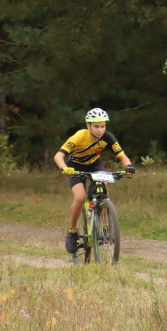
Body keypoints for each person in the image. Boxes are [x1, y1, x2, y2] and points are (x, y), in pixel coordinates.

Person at [53, 108, 135, 254]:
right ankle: (72, 232)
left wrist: (128, 166)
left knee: (103, 191)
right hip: (75, 167)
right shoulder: (79, 136)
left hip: (95, 165)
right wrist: (64, 167)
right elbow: (58, 156)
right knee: (80, 198)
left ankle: (106, 229)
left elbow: (122, 156)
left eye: (103, 126)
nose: (100, 130)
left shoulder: (108, 137)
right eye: (96, 126)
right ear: (88, 125)